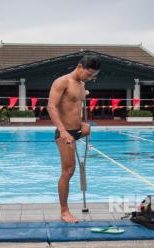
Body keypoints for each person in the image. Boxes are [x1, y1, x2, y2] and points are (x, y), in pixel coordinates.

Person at [47, 55, 101, 223]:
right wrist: (63, 131)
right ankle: (64, 211)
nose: (90, 78)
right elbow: (51, 106)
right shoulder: (62, 82)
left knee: (72, 170)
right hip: (65, 133)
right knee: (68, 172)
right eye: (89, 74)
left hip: (78, 130)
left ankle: (66, 209)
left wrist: (84, 124)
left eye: (93, 76)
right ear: (79, 66)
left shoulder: (82, 85)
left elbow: (75, 108)